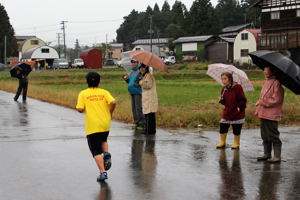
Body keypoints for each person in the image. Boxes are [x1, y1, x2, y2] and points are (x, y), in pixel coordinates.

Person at [76, 72, 117, 182]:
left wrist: (82, 109)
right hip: (105, 123)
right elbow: (113, 102)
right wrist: (110, 113)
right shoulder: (104, 92)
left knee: (95, 150)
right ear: (99, 81)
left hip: (93, 125)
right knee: (103, 140)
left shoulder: (83, 93)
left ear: (87, 81)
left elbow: (79, 109)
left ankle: (103, 172)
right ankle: (106, 154)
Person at [255, 66, 284, 163]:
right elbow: (262, 97)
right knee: (264, 135)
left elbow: (277, 99)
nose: (265, 72)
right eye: (264, 69)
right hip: (263, 113)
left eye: (267, 70)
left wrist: (262, 102)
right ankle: (267, 154)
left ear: (272, 71)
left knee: (273, 135)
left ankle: (277, 156)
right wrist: (259, 108)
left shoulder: (277, 83)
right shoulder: (267, 82)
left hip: (271, 114)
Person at [216, 72, 247, 149]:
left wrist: (239, 107)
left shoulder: (238, 87)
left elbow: (243, 100)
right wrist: (221, 100)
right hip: (227, 111)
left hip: (237, 112)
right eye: (222, 79)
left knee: (236, 129)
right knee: (223, 126)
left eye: (225, 79)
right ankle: (222, 142)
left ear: (230, 79)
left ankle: (236, 143)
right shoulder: (224, 89)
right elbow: (225, 102)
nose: (223, 81)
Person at [123, 59, 145, 131]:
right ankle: (136, 123)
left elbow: (141, 80)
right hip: (132, 91)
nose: (133, 63)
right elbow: (130, 81)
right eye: (132, 62)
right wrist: (126, 79)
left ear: (137, 63)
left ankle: (141, 123)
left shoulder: (140, 71)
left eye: (134, 62)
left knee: (138, 108)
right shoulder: (131, 71)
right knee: (134, 108)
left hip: (138, 92)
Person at [139, 64, 158, 134]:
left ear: (146, 68)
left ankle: (149, 130)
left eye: (143, 68)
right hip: (147, 97)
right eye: (140, 68)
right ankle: (150, 130)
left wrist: (141, 82)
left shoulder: (149, 76)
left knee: (149, 114)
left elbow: (148, 85)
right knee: (148, 114)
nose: (141, 69)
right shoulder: (145, 76)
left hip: (149, 98)